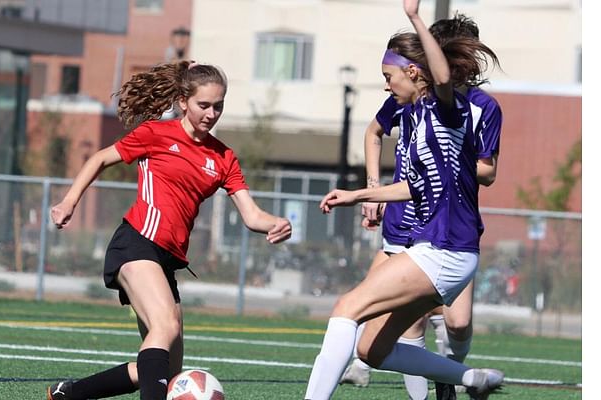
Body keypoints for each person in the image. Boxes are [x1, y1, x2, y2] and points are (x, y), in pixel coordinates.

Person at [46, 60, 292, 400]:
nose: (211, 113)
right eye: (203, 105)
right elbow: (100, 158)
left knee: (167, 372)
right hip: (135, 243)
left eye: (218, 106)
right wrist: (68, 201)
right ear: (183, 101)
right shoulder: (156, 134)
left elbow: (251, 215)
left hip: (166, 260)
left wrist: (276, 223)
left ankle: (70, 393)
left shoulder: (223, 158)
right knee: (166, 327)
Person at [303, 1, 502, 399]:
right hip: (440, 249)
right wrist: (359, 194)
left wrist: (415, 17)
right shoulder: (413, 114)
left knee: (347, 308)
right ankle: (469, 378)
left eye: (388, 75)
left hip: (445, 248)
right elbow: (413, 186)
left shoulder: (444, 109)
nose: (385, 84)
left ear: (413, 72)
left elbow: (442, 77)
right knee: (371, 348)